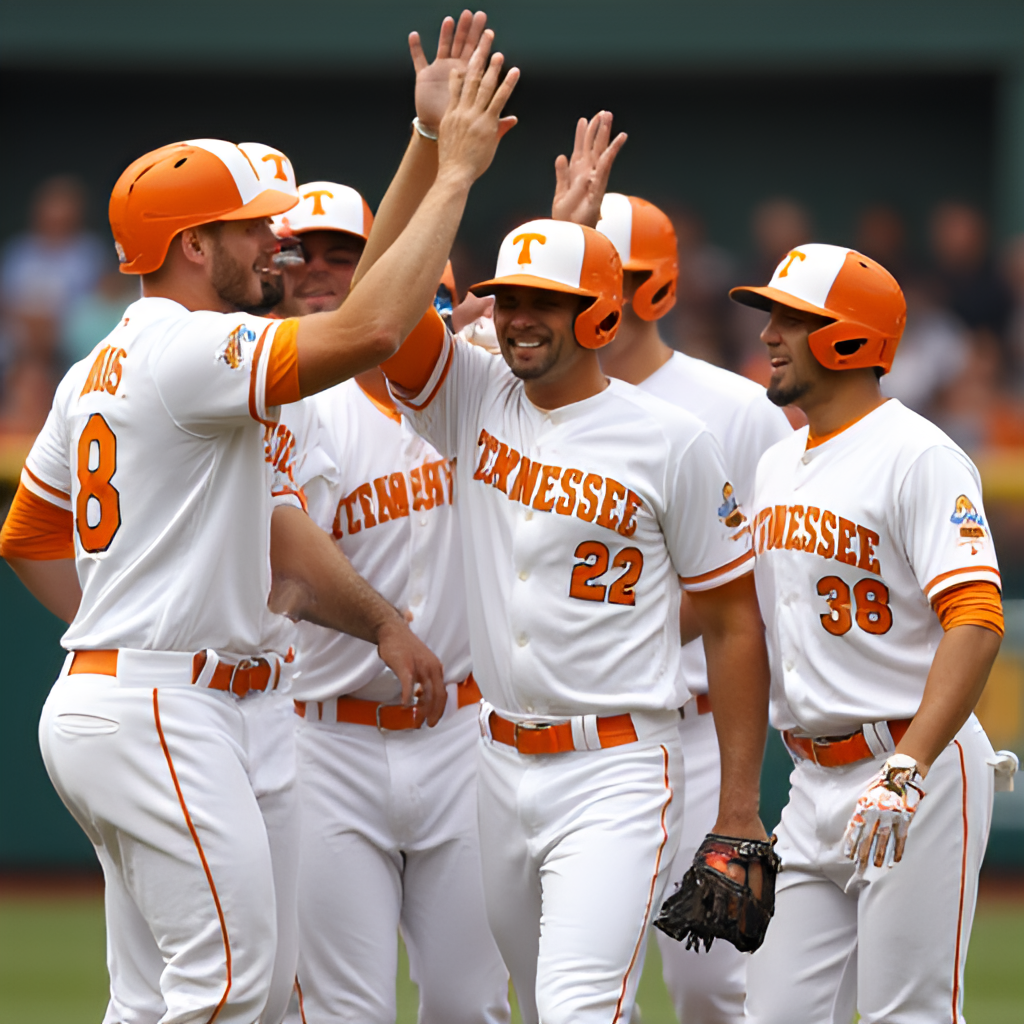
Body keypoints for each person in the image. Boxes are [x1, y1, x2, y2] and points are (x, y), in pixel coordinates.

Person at [0, 16, 519, 1023]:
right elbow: (372, 326)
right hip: (164, 704)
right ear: (193, 245)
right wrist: (454, 175)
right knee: (230, 992)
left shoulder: (102, 364)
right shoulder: (191, 353)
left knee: (176, 998)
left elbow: (27, 534)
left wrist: (419, 146)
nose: (272, 241)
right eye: (250, 228)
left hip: (159, 697)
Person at [376, 120, 772, 1022]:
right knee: (555, 1002)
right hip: (496, 760)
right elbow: (380, 309)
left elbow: (734, 619)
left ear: (599, 314)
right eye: (507, 298)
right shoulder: (471, 395)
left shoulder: (675, 439)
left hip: (621, 764)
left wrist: (740, 808)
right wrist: (445, 162)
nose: (516, 317)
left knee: (578, 1007)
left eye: (543, 301)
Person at [728, 242, 1017, 1023]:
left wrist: (908, 769)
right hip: (809, 781)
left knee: (908, 1015)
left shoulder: (919, 454)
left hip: (910, 769)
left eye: (791, 319)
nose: (768, 335)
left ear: (851, 339)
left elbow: (979, 619)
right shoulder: (777, 463)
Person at [267, 183, 510, 1024]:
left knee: (467, 1002)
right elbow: (285, 569)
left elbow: (554, 355)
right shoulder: (296, 403)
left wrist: (570, 225)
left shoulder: (486, 401)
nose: (421, 321)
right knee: (343, 1010)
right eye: (307, 255)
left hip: (465, 738)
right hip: (327, 738)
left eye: (437, 303)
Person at [577, 181, 790, 1021]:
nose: (599, 294)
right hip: (581, 736)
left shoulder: (736, 408)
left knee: (714, 981)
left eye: (617, 276)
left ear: (657, 287)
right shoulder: (530, 399)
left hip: (698, 727)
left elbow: (760, 584)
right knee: (588, 985)